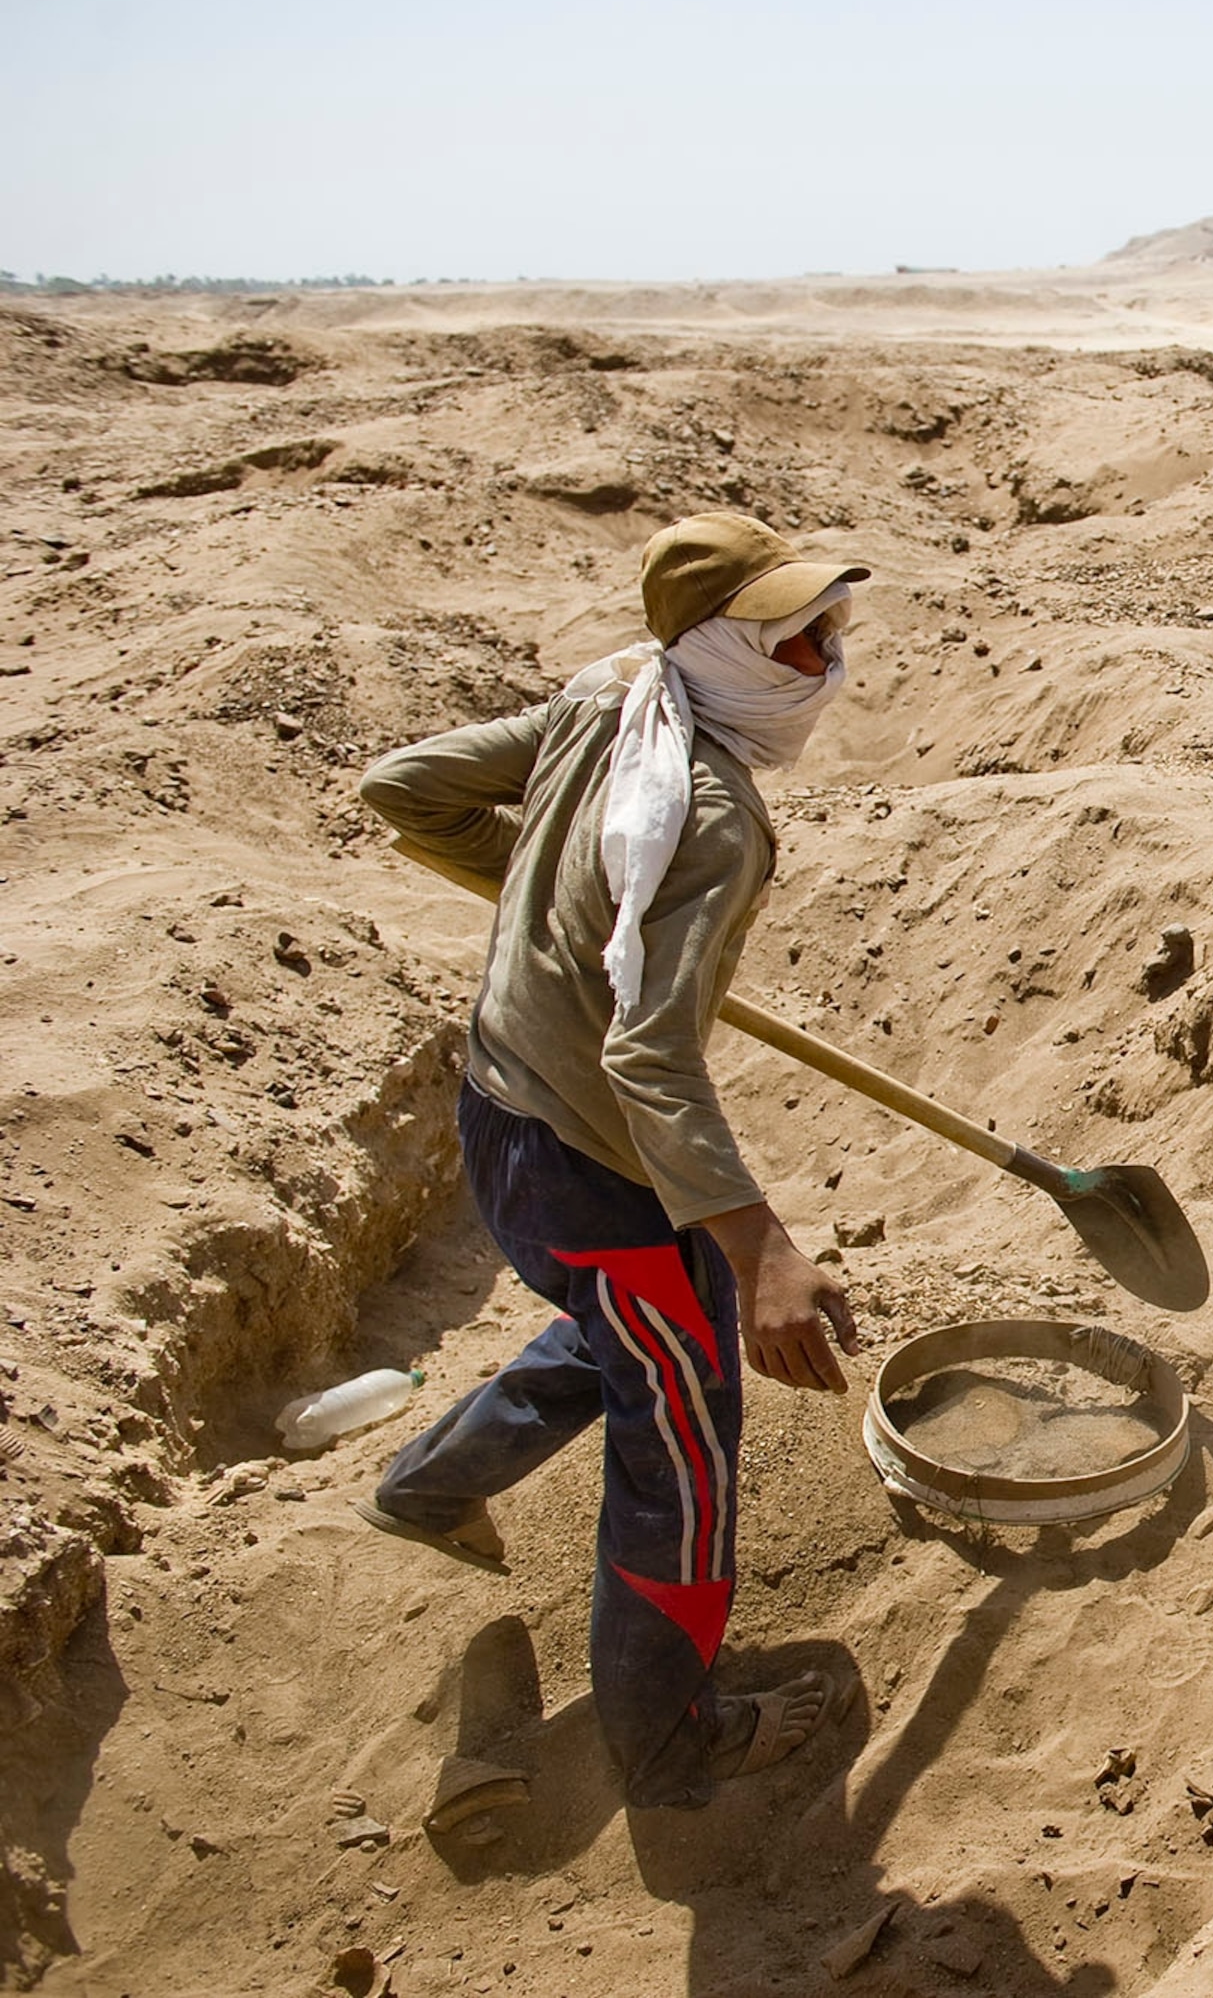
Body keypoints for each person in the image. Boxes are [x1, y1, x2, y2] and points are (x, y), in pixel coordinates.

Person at [352, 512, 870, 1810]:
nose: (827, 662)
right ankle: (666, 1741)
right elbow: (650, 1061)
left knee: (622, 1328)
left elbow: (407, 791)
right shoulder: (709, 815)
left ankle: (426, 1487)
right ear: (725, 647)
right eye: (797, 638)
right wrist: (762, 1249)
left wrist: (559, 900)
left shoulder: (611, 692)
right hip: (587, 1163)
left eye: (829, 630)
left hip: (500, 1105)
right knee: (684, 1427)